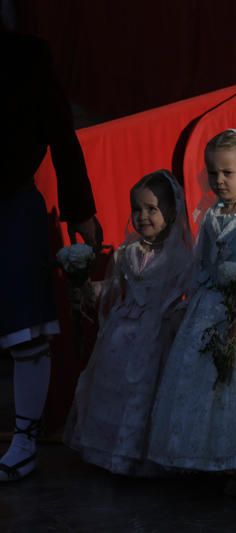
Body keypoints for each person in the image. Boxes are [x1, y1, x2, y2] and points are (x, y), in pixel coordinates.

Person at [147, 125, 236, 491]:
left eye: (228, 172)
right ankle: (201, 456)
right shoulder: (212, 215)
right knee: (207, 380)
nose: (219, 180)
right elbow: (206, 267)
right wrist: (193, 303)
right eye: (213, 172)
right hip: (213, 305)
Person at [0, 29, 102, 482]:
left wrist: (80, 209)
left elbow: (60, 132)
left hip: (11, 202)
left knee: (25, 328)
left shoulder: (23, 54)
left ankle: (25, 439)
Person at [64, 171, 191, 475]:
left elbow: (189, 294)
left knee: (145, 391)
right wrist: (85, 288)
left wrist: (175, 315)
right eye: (137, 209)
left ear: (171, 212)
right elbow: (110, 291)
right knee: (113, 389)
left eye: (152, 209)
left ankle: (138, 453)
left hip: (157, 334)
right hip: (121, 335)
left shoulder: (181, 256)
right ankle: (109, 450)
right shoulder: (126, 253)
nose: (143, 216)